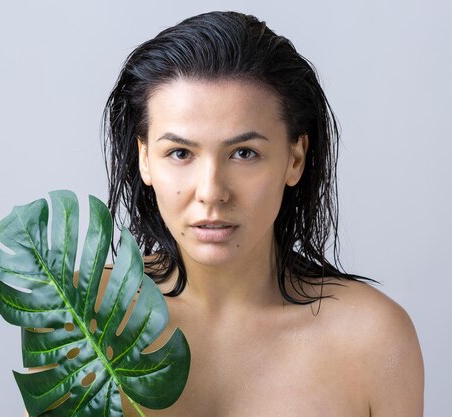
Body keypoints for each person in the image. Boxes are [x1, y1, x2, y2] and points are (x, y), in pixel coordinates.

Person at [102, 11, 424, 417]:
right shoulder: (83, 314)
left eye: (244, 153)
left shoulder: (372, 339)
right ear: (145, 159)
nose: (212, 192)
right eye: (180, 153)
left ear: (295, 158)